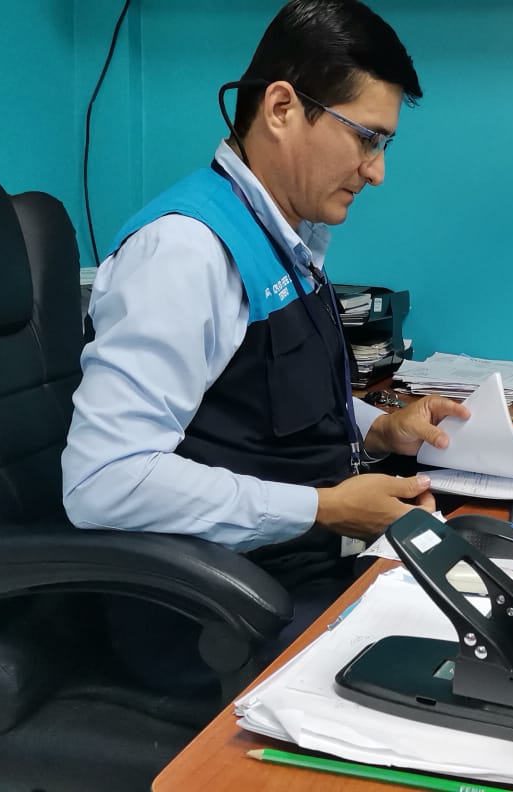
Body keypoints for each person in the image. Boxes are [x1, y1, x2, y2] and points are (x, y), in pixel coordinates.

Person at [61, 0, 468, 692]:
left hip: (294, 575)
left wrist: (379, 430)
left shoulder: (282, 239)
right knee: (458, 680)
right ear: (282, 109)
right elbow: (104, 481)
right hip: (215, 619)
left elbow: (260, 405)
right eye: (367, 138)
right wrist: (326, 507)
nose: (376, 171)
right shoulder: (184, 253)